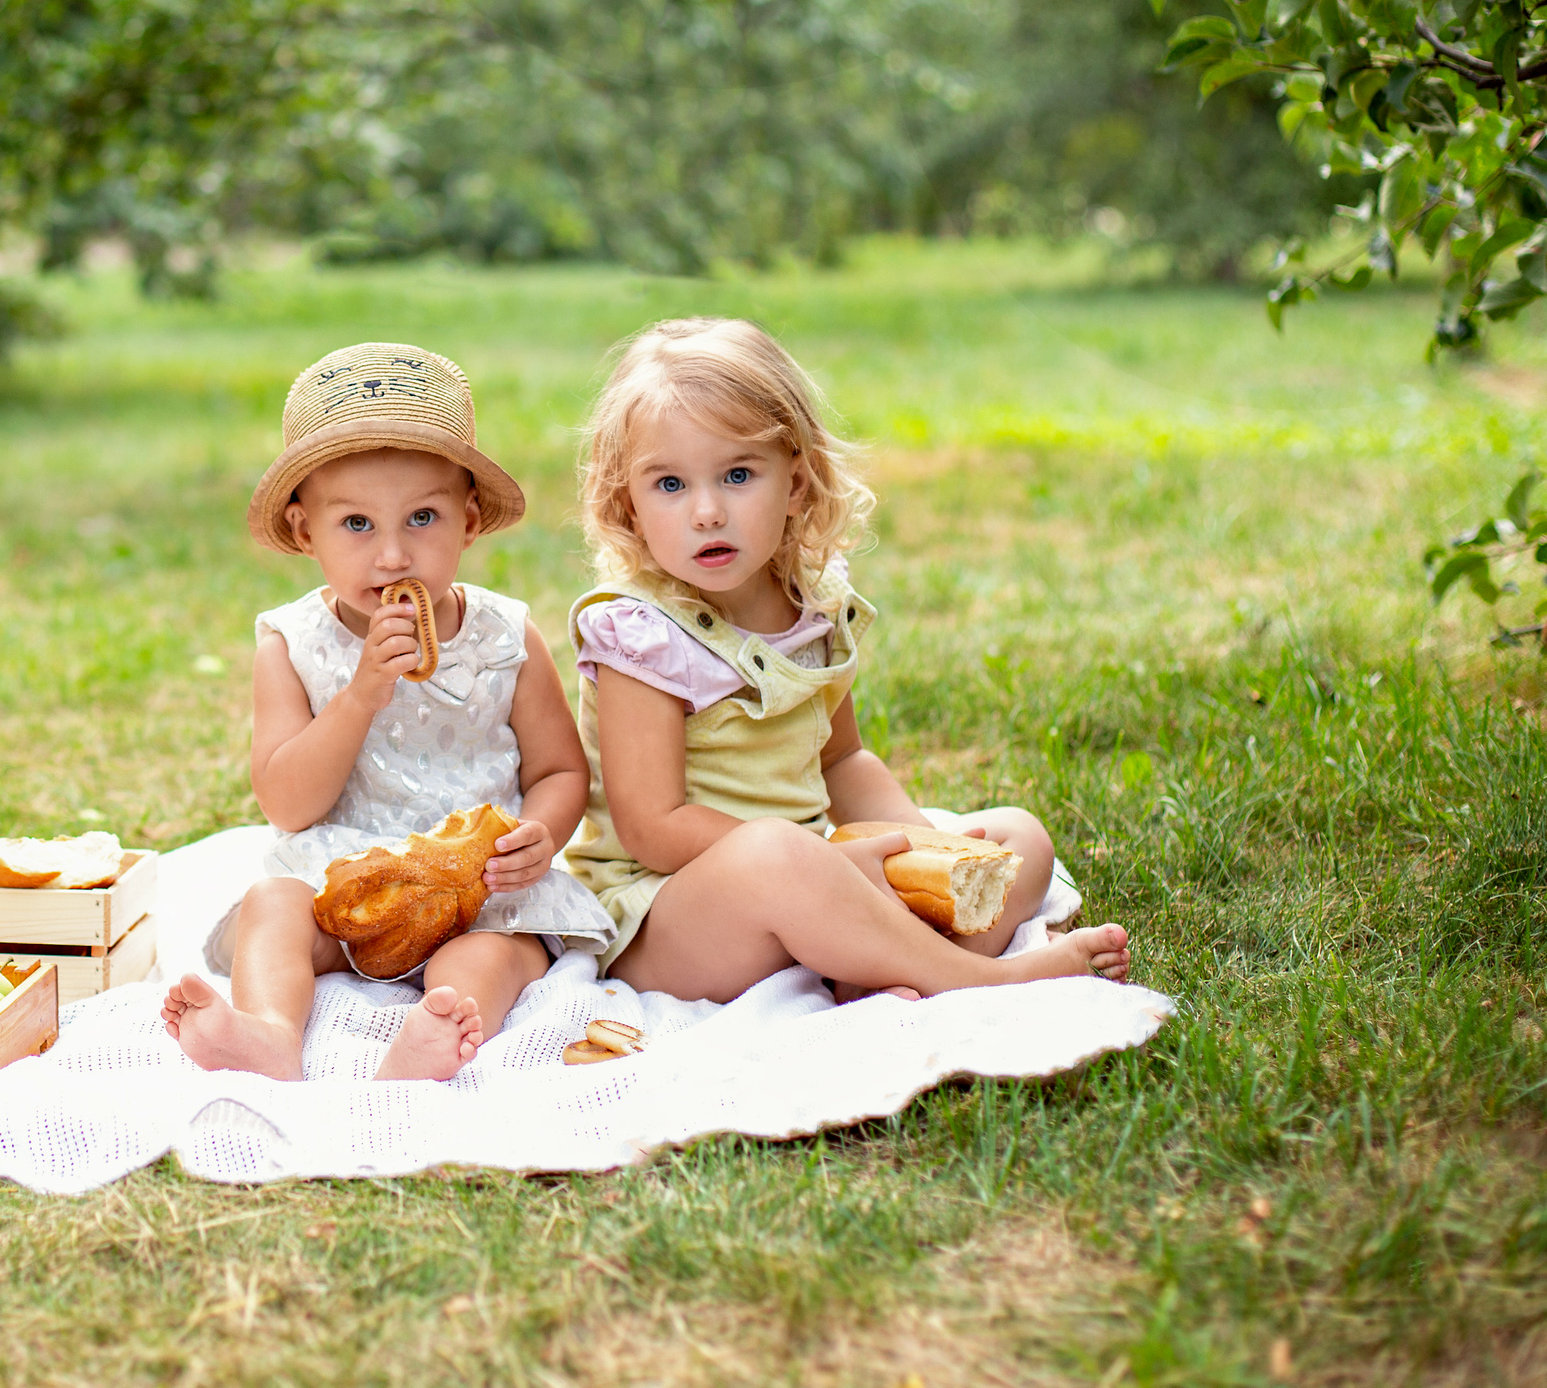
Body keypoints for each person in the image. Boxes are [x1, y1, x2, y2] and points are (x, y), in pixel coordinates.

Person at [562, 317, 1132, 1002]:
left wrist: (926, 848)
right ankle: (980, 977)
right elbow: (654, 828)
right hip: (673, 917)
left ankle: (878, 970)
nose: (707, 511)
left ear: (796, 485)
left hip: (810, 874)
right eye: (670, 485)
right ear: (629, 502)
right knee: (777, 854)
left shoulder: (811, 607)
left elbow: (842, 762)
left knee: (1018, 840)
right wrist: (824, 863)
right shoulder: (641, 635)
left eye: (738, 474)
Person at [163, 341, 613, 1080]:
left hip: (479, 894)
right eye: (358, 525)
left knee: (493, 956)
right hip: (342, 883)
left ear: (469, 521)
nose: (395, 555)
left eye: (424, 518)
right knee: (272, 905)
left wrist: (540, 831)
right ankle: (270, 1033)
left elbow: (561, 767)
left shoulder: (504, 635)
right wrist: (363, 692)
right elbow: (287, 801)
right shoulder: (292, 644)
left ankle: (437, 1033)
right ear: (306, 532)